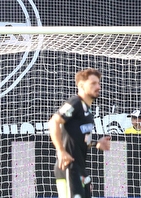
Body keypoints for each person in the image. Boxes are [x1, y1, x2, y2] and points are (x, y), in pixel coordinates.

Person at [48, 68, 111, 198]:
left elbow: (80, 138)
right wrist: (60, 150)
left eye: (98, 83)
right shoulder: (75, 103)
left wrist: (96, 144)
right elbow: (53, 122)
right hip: (68, 167)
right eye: (93, 83)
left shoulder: (88, 112)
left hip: (81, 169)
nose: (98, 86)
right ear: (81, 85)